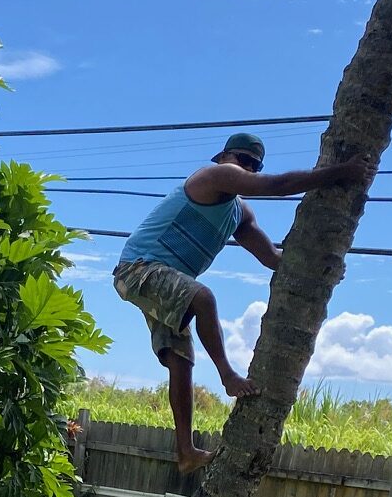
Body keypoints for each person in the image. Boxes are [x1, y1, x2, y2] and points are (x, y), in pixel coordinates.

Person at [110, 131, 367, 474]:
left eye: (253, 165)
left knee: (180, 361)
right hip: (138, 269)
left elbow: (273, 258)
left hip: (166, 282)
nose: (245, 168)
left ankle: (186, 453)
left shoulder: (239, 214)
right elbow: (278, 185)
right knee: (203, 297)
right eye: (242, 160)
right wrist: (341, 172)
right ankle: (227, 376)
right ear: (223, 158)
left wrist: (322, 266)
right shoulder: (213, 176)